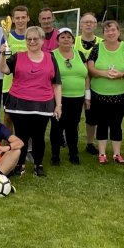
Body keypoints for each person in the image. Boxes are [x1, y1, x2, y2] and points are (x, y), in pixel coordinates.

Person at [0, 25, 62, 177]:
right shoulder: (18, 56)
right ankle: (19, 164)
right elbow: (4, 69)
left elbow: (57, 84)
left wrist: (58, 105)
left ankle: (38, 165)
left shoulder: (50, 57)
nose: (32, 41)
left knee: (39, 136)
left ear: (42, 40)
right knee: (21, 136)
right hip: (19, 104)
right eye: (29, 39)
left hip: (43, 104)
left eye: (35, 39)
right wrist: (2, 55)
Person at [87, 20, 124, 165]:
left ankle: (117, 153)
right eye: (107, 31)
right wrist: (103, 73)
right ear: (103, 33)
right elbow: (90, 67)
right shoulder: (97, 47)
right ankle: (102, 153)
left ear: (118, 32)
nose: (110, 33)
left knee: (116, 123)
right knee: (102, 123)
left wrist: (122, 74)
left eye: (113, 30)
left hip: (122, 93)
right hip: (99, 93)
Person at [49, 28, 90, 166]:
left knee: (73, 127)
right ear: (57, 40)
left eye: (69, 37)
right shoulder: (51, 55)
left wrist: (87, 95)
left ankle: (74, 154)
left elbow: (86, 76)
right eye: (62, 37)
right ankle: (55, 156)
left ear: (73, 39)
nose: (66, 39)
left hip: (77, 98)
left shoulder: (80, 54)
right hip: (58, 98)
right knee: (57, 127)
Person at [75, 12, 103, 155]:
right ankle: (70, 139)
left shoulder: (101, 42)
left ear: (96, 25)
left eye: (91, 22)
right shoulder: (73, 41)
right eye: (85, 22)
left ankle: (90, 143)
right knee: (73, 115)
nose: (88, 24)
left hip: (95, 84)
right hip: (75, 85)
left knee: (92, 116)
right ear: (80, 25)